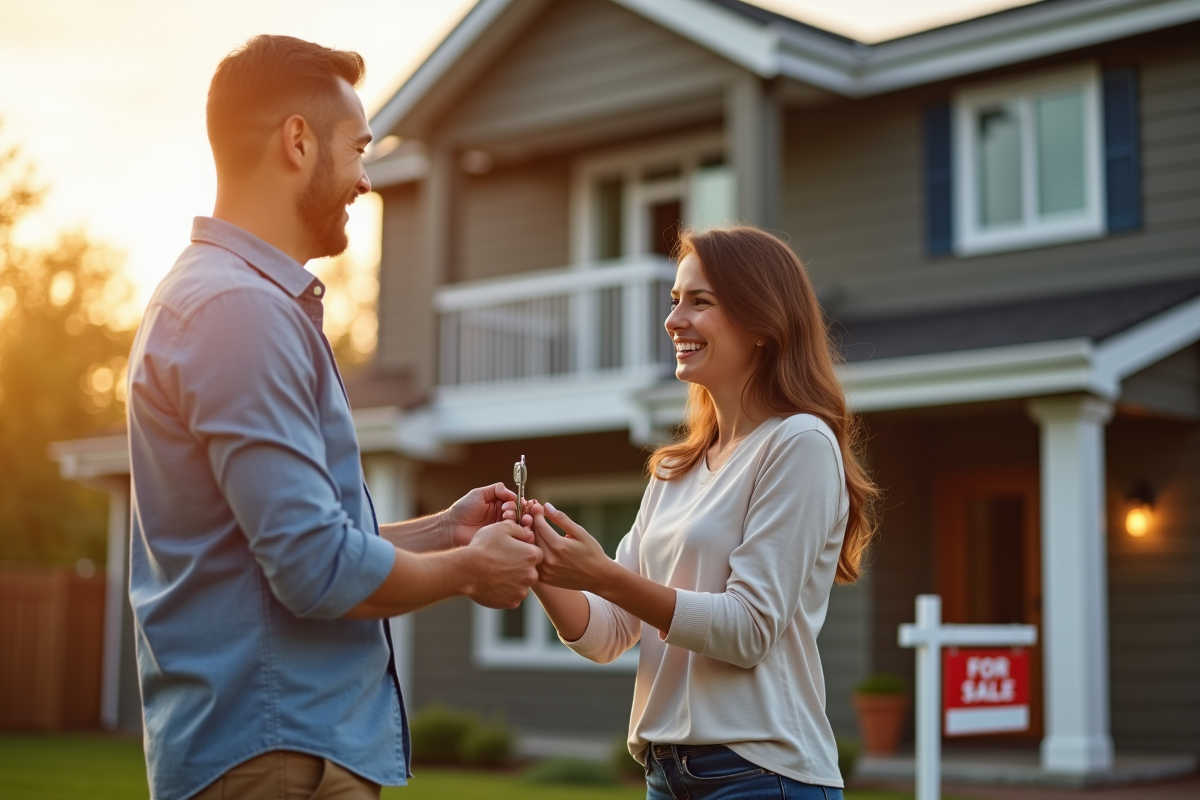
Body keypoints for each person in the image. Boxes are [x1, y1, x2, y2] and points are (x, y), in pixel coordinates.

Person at [125, 35, 541, 800]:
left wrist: (440, 531)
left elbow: (276, 553)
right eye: (359, 150)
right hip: (279, 756)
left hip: (277, 747)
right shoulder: (239, 311)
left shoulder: (228, 300)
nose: (367, 180)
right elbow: (314, 571)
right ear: (297, 141)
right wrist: (468, 570)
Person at [528, 226, 878, 799]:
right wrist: (541, 560)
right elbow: (610, 633)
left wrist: (602, 574)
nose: (673, 321)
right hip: (666, 776)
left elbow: (748, 630)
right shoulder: (675, 471)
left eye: (700, 302)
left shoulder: (799, 444)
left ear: (762, 324)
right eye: (674, 302)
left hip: (762, 775)